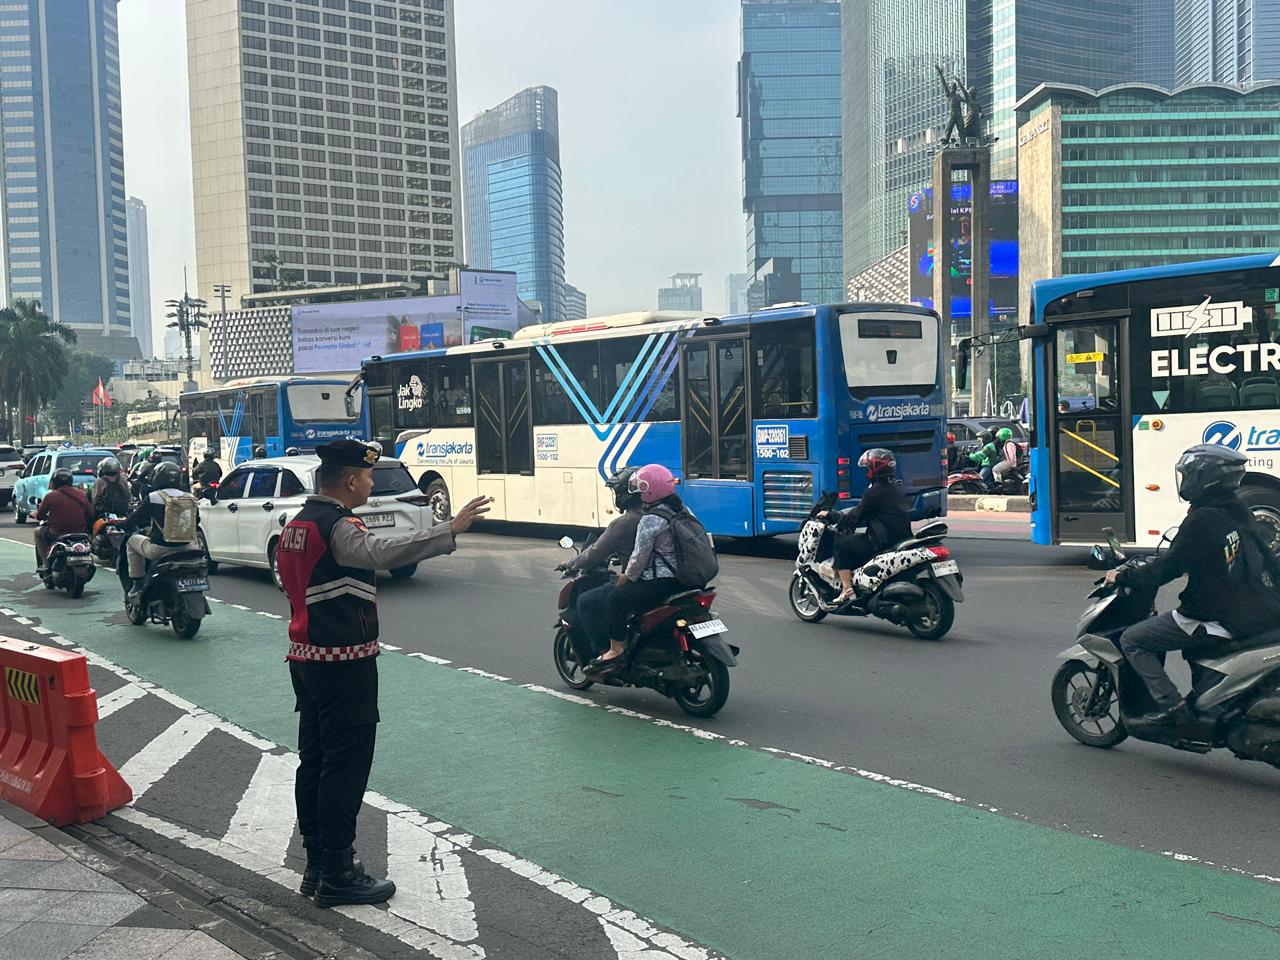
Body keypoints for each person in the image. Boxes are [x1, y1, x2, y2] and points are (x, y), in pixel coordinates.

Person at [275, 439, 491, 908]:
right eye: (369, 476)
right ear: (351, 480)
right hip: (343, 664)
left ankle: (317, 866)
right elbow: (381, 552)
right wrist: (448, 529)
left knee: (314, 764)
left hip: (306, 660)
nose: (372, 483)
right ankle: (337, 871)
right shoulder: (337, 526)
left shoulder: (297, 525)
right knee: (344, 769)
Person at [1108, 445, 1280, 725]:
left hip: (1217, 614)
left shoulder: (1202, 520)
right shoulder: (1238, 509)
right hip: (1261, 608)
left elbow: (1168, 568)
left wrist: (1122, 576)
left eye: (1187, 474)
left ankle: (1172, 709)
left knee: (1133, 640)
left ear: (1203, 478)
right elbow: (1266, 559)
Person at [589, 464, 687, 670]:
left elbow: (639, 555)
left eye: (640, 488)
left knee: (616, 597)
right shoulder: (681, 512)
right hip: (684, 579)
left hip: (660, 582)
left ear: (649, 491)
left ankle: (616, 650)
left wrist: (626, 577)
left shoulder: (650, 520)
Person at [555, 467, 643, 665]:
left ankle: (608, 654)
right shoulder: (668, 514)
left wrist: (570, 564)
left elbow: (594, 553)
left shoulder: (624, 524)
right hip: (680, 582)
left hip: (644, 584)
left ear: (624, 494)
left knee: (587, 601)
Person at [826, 449, 913, 605]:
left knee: (842, 545)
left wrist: (832, 516)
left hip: (881, 541)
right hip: (903, 537)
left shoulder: (873, 492)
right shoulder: (896, 488)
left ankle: (846, 588)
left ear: (875, 469)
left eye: (868, 468)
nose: (867, 472)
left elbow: (857, 516)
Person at [122, 462, 194, 599]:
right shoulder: (189, 497)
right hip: (188, 548)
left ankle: (137, 584)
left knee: (131, 542)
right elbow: (196, 522)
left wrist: (124, 524)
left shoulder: (154, 497)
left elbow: (136, 518)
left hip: (160, 548)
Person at [34, 468, 94, 572]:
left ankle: (46, 563)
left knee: (37, 532)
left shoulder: (50, 496)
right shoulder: (80, 495)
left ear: (54, 482)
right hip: (80, 532)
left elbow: (40, 516)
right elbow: (90, 513)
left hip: (57, 532)